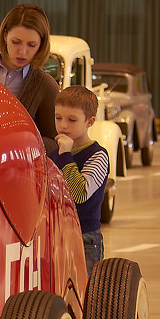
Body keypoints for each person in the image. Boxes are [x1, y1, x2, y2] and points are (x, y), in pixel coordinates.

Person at [0, 3, 58, 144]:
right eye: (16, 42)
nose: (22, 51)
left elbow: (54, 142)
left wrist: (26, 140)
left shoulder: (46, 86)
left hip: (15, 164)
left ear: (41, 45)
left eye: (32, 45)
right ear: (5, 35)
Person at [49, 85, 109, 276]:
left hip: (85, 239)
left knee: (85, 297)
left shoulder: (98, 156)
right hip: (54, 236)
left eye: (72, 120)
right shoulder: (52, 154)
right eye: (58, 118)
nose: (63, 125)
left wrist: (66, 154)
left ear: (90, 122)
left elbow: (79, 194)